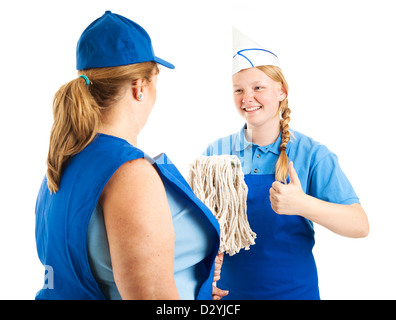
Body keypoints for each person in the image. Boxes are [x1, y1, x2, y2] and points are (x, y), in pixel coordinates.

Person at [35, 11, 226, 300]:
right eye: (155, 81)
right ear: (140, 87)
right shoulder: (129, 173)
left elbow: (98, 271)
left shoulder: (61, 164)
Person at [204, 28, 369, 300]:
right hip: (229, 297)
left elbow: (359, 224)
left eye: (258, 87)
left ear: (281, 91)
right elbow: (201, 228)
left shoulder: (312, 154)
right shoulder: (216, 153)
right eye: (239, 89)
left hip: (295, 294)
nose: (247, 98)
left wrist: (303, 204)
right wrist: (204, 275)